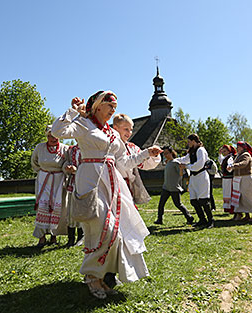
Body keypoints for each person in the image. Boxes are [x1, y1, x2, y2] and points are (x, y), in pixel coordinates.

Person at [51, 90, 162, 299]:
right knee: (103, 227)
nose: (113, 110)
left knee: (116, 232)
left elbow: (123, 163)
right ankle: (92, 276)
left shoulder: (112, 134)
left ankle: (101, 276)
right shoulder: (84, 124)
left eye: (115, 107)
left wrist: (147, 153)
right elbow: (58, 131)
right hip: (91, 180)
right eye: (110, 106)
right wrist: (73, 111)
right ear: (98, 106)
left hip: (113, 183)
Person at [31, 126, 69, 247]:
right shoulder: (40, 147)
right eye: (50, 135)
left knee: (57, 206)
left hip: (58, 180)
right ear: (46, 136)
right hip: (44, 180)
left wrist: (64, 169)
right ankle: (41, 237)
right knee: (43, 205)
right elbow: (34, 161)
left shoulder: (65, 149)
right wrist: (43, 172)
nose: (53, 138)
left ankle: (54, 236)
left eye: (55, 135)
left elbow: (67, 163)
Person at [112, 113, 161, 204]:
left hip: (128, 187)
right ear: (115, 128)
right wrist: (145, 153)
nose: (129, 133)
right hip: (113, 186)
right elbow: (123, 164)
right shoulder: (110, 146)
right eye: (126, 129)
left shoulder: (132, 147)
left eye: (131, 130)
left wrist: (153, 155)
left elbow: (145, 164)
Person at [175, 134, 213, 228]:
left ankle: (210, 221)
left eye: (189, 141)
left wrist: (187, 166)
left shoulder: (201, 150)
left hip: (201, 176)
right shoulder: (192, 151)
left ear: (193, 141)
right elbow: (184, 159)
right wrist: (173, 160)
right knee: (194, 201)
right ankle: (202, 219)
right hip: (194, 177)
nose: (188, 144)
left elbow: (199, 165)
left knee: (203, 200)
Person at [154, 146, 194, 225]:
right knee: (161, 204)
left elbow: (181, 174)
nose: (165, 155)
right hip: (166, 187)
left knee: (178, 204)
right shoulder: (168, 162)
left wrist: (181, 169)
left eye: (167, 153)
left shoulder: (176, 162)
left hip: (174, 188)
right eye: (164, 154)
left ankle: (189, 217)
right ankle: (159, 219)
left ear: (171, 153)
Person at [227, 141, 252, 222]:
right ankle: (247, 215)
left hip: (246, 178)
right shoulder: (238, 155)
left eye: (239, 146)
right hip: (240, 179)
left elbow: (244, 163)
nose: (237, 148)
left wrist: (233, 166)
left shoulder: (246, 155)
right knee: (242, 198)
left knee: (249, 197)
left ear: (243, 147)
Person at [62, 144, 84, 247]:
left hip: (84, 182)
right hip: (72, 182)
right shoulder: (71, 149)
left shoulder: (88, 146)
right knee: (70, 210)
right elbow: (66, 161)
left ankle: (81, 236)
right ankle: (70, 238)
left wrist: (78, 170)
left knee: (81, 210)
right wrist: (67, 167)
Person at [219, 145, 240, 219]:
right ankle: (232, 211)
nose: (223, 152)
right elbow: (221, 161)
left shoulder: (230, 157)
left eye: (225, 151)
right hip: (226, 179)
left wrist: (229, 168)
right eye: (223, 151)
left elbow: (230, 163)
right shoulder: (226, 157)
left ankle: (234, 211)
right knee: (227, 193)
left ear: (229, 151)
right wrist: (220, 154)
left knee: (230, 194)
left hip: (229, 179)